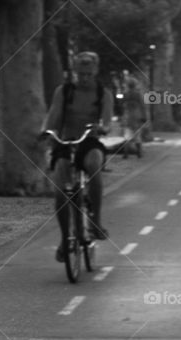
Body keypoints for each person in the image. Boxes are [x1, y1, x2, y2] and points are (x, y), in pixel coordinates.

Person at [40, 51, 114, 262]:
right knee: (61, 192)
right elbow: (53, 116)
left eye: (88, 74)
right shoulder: (64, 91)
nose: (84, 78)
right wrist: (47, 132)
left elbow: (107, 120)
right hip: (66, 141)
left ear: (95, 71)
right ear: (74, 72)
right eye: (80, 74)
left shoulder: (103, 94)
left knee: (93, 164)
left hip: (89, 140)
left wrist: (103, 128)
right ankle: (65, 239)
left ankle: (95, 222)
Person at [122, 75, 145, 157]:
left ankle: (125, 153)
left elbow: (122, 105)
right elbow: (142, 106)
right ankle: (139, 152)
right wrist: (144, 116)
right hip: (136, 116)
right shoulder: (138, 94)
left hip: (127, 116)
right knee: (137, 135)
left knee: (127, 136)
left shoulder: (125, 94)